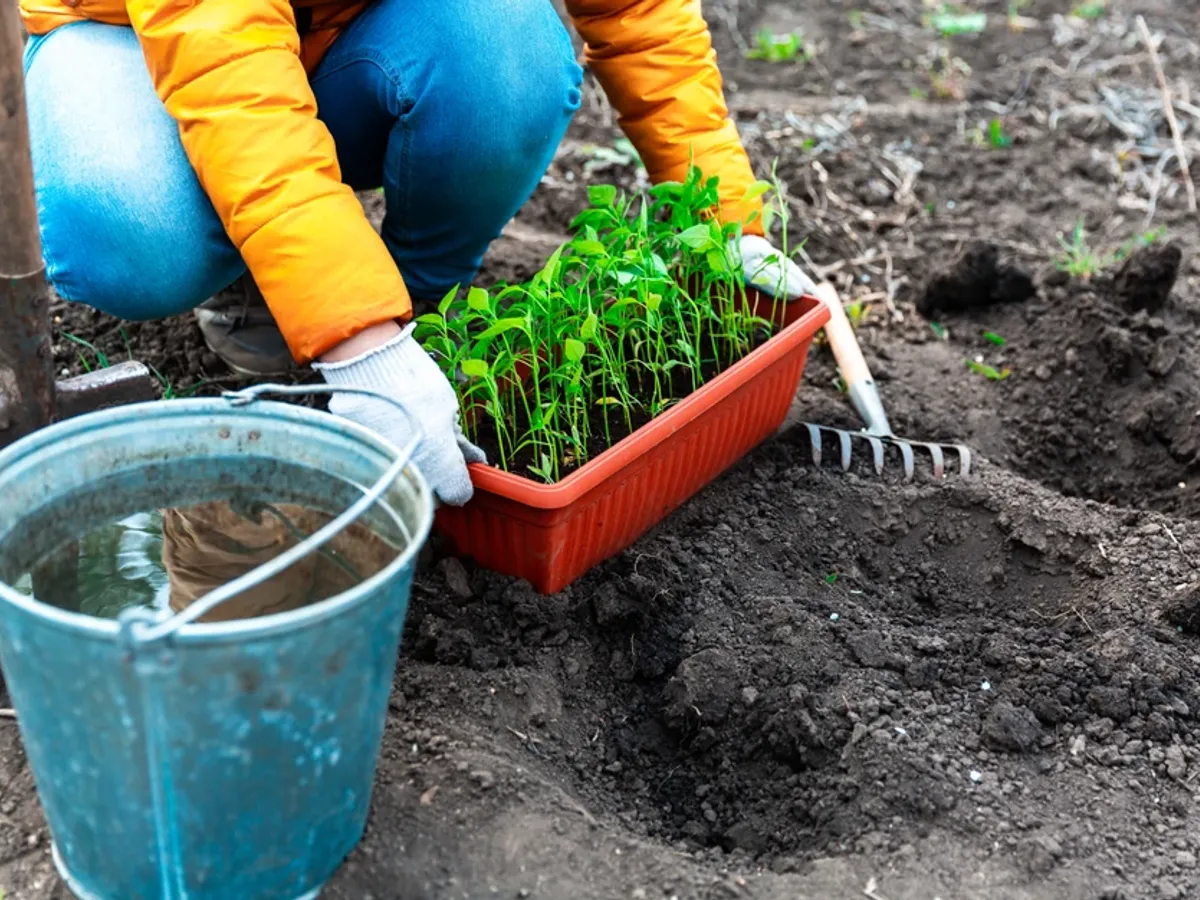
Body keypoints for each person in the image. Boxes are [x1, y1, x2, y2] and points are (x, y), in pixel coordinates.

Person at [20, 0, 818, 507]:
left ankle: (420, 310)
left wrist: (724, 218)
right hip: (134, 33)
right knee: (127, 223)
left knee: (511, 56)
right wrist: (354, 337)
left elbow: (639, 9)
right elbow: (225, 56)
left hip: (355, 26)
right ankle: (258, 286)